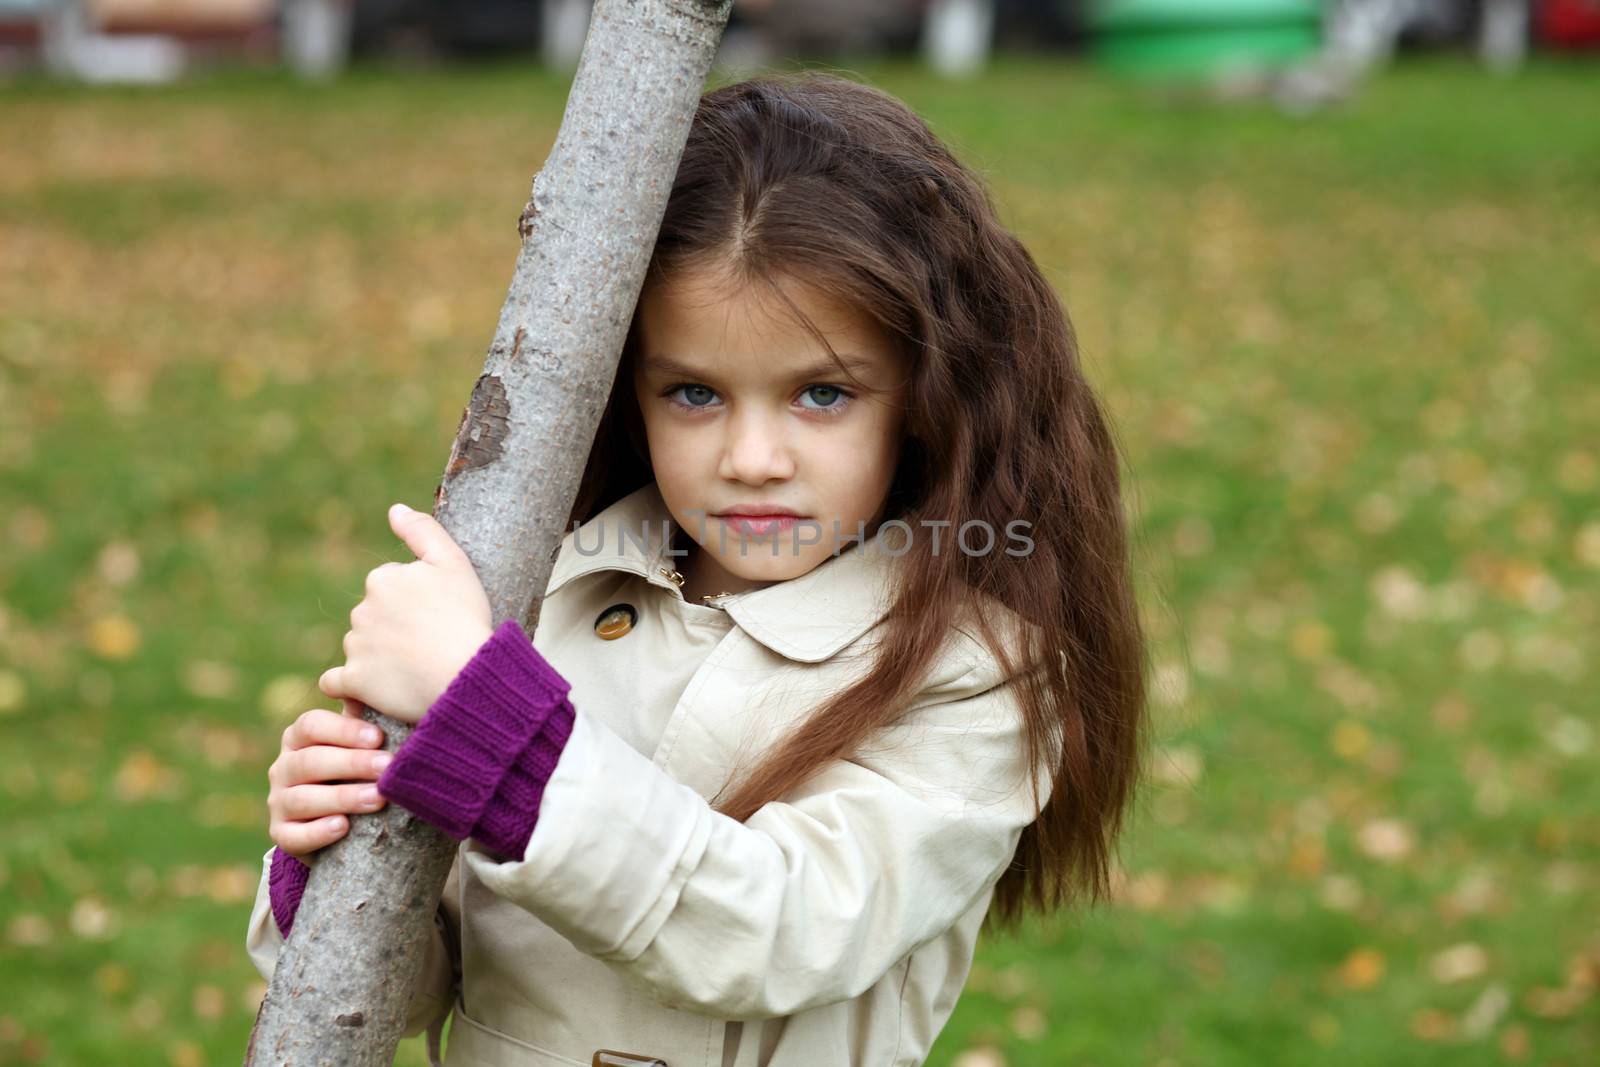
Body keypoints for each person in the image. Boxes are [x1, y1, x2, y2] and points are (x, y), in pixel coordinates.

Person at [245, 72, 1149, 1067]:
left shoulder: (974, 673)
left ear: (925, 398)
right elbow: (417, 983)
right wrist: (329, 861)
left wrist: (496, 728)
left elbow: (776, 929)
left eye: (819, 393)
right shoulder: (538, 600)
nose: (751, 456)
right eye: (693, 393)